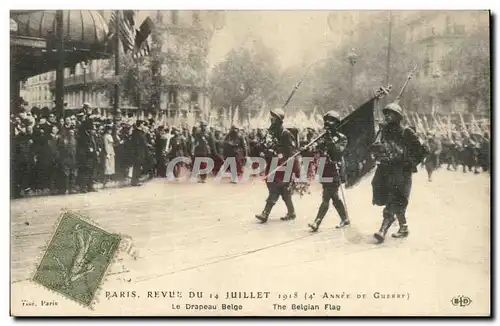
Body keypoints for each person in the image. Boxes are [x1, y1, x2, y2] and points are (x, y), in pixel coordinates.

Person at [371, 102, 426, 243]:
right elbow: (377, 149)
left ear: (398, 116)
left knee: (394, 200)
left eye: (391, 113)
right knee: (395, 200)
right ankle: (403, 227)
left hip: (401, 172)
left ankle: (382, 230)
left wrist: (410, 163)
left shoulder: (406, 132)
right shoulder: (384, 131)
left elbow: (423, 150)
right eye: (386, 113)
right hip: (386, 170)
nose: (387, 116)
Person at [255, 108, 300, 223]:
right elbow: (265, 146)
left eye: (274, 117)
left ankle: (265, 214)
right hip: (273, 164)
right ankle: (291, 212)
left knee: (275, 189)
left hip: (283, 166)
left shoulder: (286, 134)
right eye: (271, 117)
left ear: (279, 120)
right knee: (283, 191)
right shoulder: (271, 132)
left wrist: (292, 168)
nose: (271, 119)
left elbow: (292, 152)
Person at [308, 110, 349, 232]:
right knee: (334, 196)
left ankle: (317, 222)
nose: (327, 123)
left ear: (336, 124)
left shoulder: (342, 138)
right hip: (324, 169)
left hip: (335, 169)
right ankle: (345, 218)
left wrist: (330, 139)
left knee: (327, 196)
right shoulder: (322, 136)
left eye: (331, 121)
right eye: (326, 120)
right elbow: (316, 151)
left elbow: (337, 152)